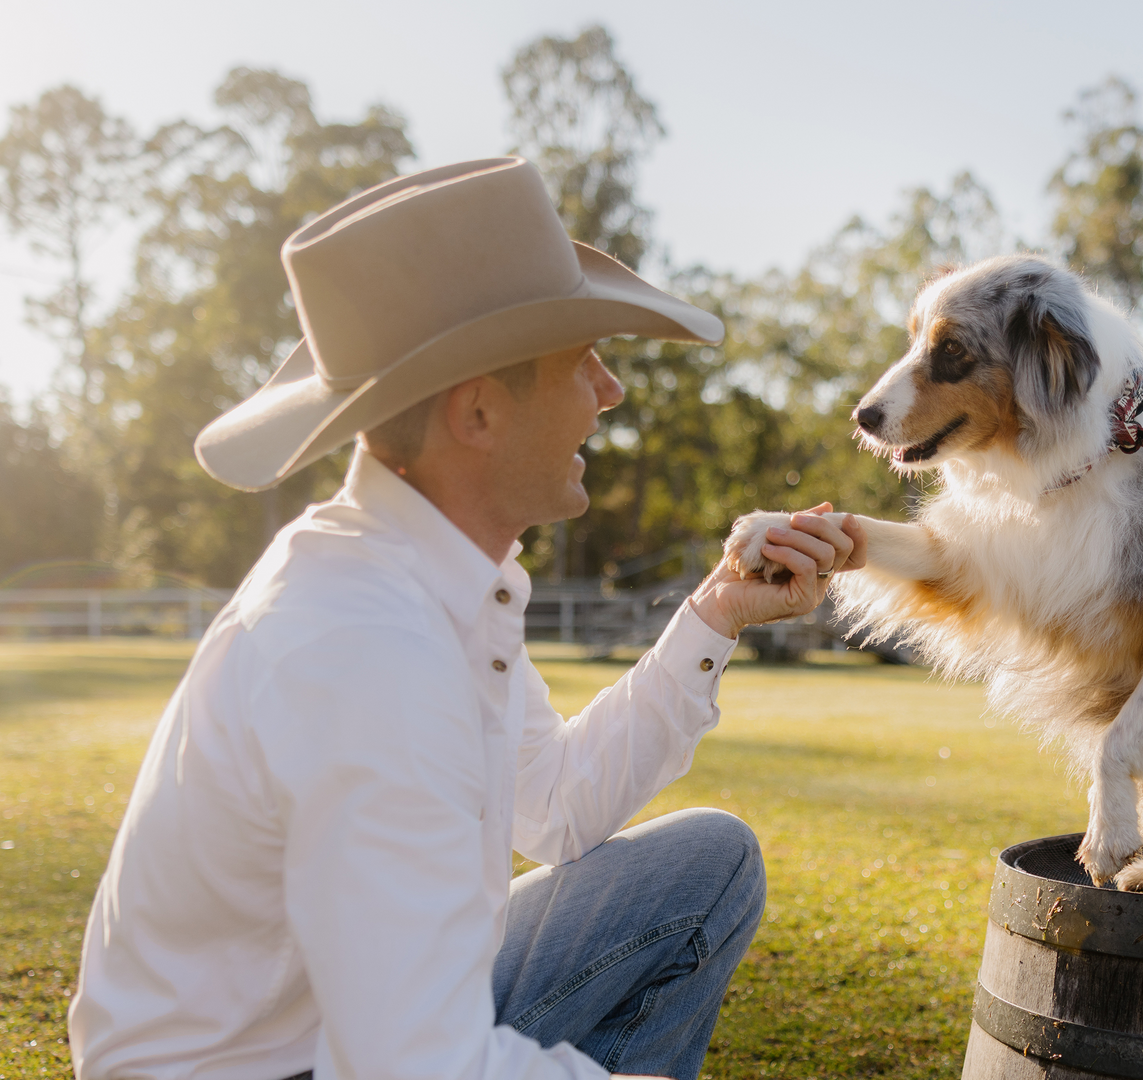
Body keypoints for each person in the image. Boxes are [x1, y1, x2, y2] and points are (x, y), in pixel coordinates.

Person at [68, 158, 864, 1080]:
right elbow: (413, 1065)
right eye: (583, 362)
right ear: (479, 410)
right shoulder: (366, 646)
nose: (611, 392)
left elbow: (555, 806)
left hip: (342, 1034)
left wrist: (719, 611)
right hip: (278, 1066)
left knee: (702, 867)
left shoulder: (424, 581)